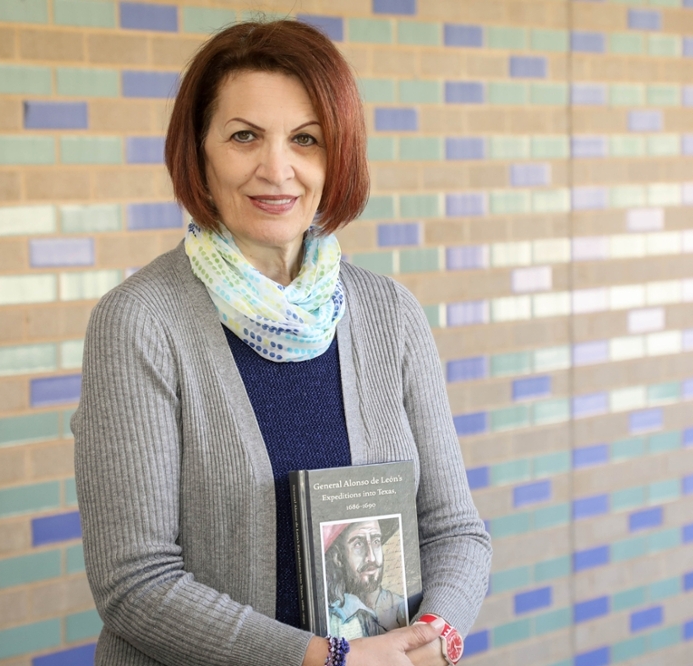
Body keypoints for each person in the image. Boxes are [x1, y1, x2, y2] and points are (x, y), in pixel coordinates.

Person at [72, 18, 491, 666]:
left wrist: (431, 639)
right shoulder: (140, 323)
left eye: (306, 139)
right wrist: (329, 659)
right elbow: (136, 586)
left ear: (337, 154)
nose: (278, 168)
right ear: (200, 152)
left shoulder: (390, 314)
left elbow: (456, 530)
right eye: (245, 136)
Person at [324, 519, 407, 639]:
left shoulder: (402, 608)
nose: (371, 558)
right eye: (358, 544)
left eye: (376, 542)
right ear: (338, 558)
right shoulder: (334, 619)